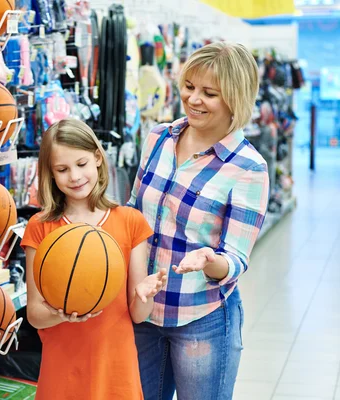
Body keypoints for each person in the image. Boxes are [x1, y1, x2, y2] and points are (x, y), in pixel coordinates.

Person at [128, 41, 270, 400]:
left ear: (234, 99)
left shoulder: (248, 167)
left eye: (209, 93)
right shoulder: (159, 138)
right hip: (142, 311)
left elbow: (236, 259)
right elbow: (134, 212)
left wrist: (211, 261)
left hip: (201, 317)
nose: (193, 99)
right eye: (189, 87)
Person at [21, 118, 168, 400]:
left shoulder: (129, 222)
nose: (75, 177)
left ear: (98, 159)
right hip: (62, 369)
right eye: (62, 169)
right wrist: (59, 314)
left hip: (115, 369)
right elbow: (35, 315)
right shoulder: (40, 227)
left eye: (81, 164)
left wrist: (146, 294)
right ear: (50, 174)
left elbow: (138, 314)